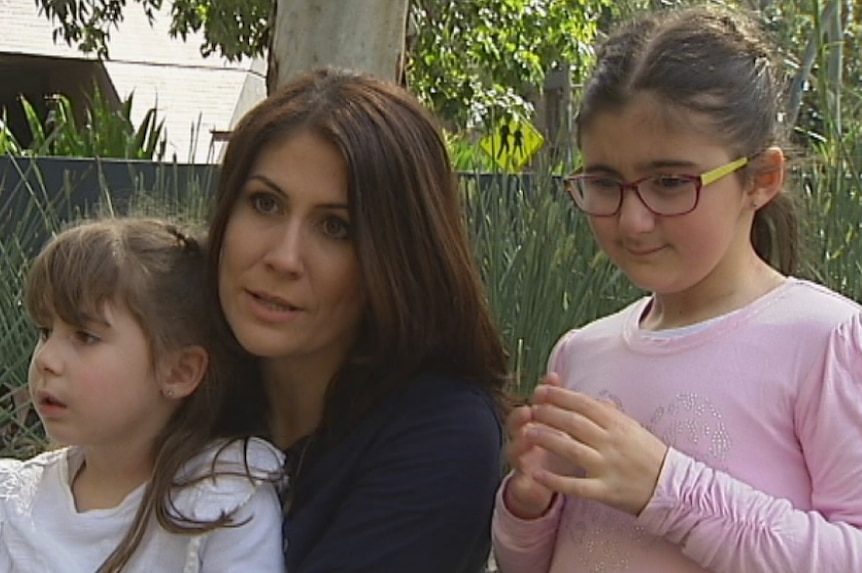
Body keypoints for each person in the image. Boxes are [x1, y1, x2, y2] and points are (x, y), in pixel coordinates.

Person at [492, 6, 862, 573]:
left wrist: (665, 486)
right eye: (605, 182)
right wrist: (529, 500)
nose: (633, 220)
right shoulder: (581, 352)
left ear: (761, 178)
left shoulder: (825, 341)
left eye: (669, 183)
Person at [206, 68, 510, 573]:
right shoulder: (177, 387)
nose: (284, 257)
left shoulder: (443, 434)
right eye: (265, 203)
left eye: (335, 227)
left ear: (400, 255)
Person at [0, 217, 285, 573]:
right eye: (45, 331)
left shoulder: (221, 499)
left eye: (85, 336)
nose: (45, 360)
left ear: (179, 371)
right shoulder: (14, 501)